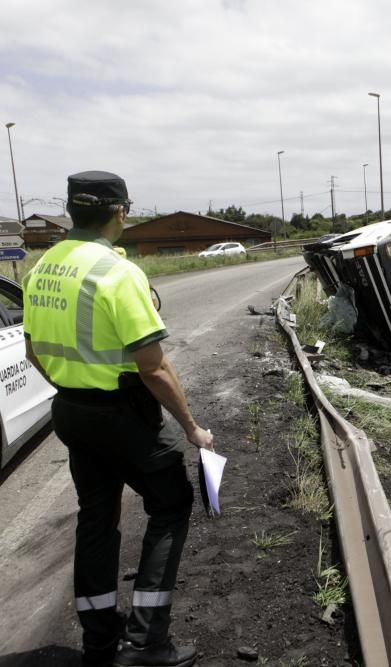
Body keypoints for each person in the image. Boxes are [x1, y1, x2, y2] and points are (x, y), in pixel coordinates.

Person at [23, 171, 213, 667]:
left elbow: (32, 349)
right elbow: (154, 367)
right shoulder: (116, 273)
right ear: (120, 212)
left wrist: (74, 383)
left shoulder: (41, 268)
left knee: (97, 519)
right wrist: (192, 427)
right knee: (171, 503)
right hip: (124, 413)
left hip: (71, 411)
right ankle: (148, 642)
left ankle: (100, 644)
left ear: (70, 211)